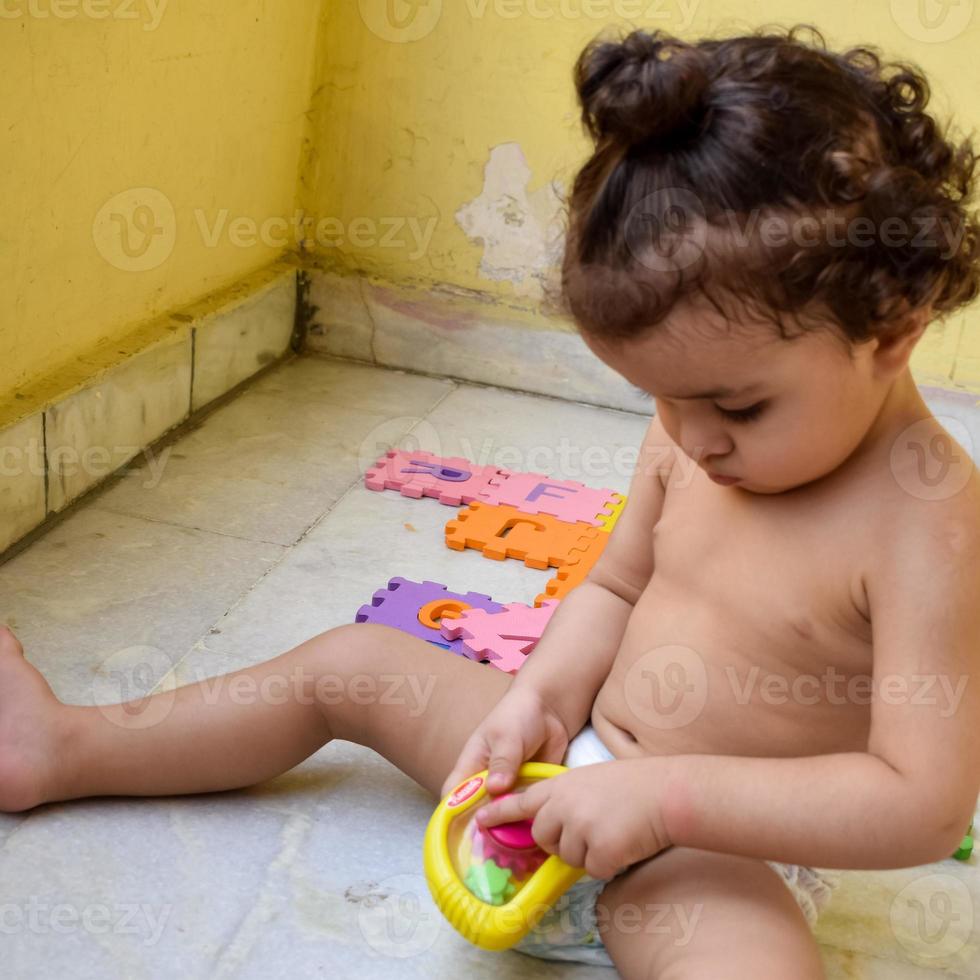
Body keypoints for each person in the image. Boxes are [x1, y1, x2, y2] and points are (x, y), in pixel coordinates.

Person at [2, 23, 979, 979]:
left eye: (734, 404)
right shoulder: (694, 429)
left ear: (891, 325)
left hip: (712, 848)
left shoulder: (924, 521)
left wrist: (665, 800)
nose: (691, 436)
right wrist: (537, 703)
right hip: (556, 770)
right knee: (349, 662)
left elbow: (918, 801)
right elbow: (613, 589)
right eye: (659, 396)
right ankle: (65, 747)